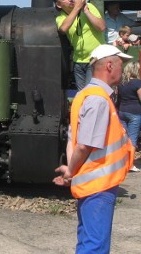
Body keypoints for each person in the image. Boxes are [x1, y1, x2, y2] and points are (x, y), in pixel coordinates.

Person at [53, 44, 135, 253]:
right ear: (109, 65)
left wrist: (71, 171)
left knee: (89, 241)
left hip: (94, 183)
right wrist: (70, 171)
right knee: (95, 246)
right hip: (99, 186)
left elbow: (73, 140)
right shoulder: (98, 100)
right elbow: (84, 144)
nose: (123, 69)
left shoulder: (85, 95)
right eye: (120, 64)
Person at [54, 0, 106, 89]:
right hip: (78, 62)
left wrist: (86, 11)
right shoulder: (61, 18)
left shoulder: (89, 7)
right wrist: (77, 9)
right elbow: (63, 29)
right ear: (59, 5)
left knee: (90, 93)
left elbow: (102, 27)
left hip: (95, 59)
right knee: (81, 95)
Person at [117, 61, 141, 171]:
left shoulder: (121, 83)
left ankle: (122, 162)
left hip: (122, 111)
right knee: (132, 139)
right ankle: (130, 164)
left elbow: (118, 98)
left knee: (123, 138)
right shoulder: (137, 83)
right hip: (134, 113)